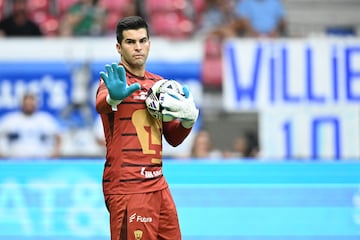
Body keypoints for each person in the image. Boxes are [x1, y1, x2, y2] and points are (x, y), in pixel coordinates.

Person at [95, 16, 199, 239]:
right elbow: (101, 102)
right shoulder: (114, 82)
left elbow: (173, 138)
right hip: (128, 187)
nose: (138, 47)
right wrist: (114, 98)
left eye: (142, 40)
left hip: (158, 185)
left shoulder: (159, 85)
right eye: (130, 42)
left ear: (149, 43)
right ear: (118, 47)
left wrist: (187, 122)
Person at [0, 92, 62, 159]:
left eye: (31, 103)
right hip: (16, 160)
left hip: (41, 160)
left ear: (36, 104)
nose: (29, 105)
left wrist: (56, 151)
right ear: (22, 104)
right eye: (26, 103)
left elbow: (59, 137)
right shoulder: (10, 119)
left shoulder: (45, 119)